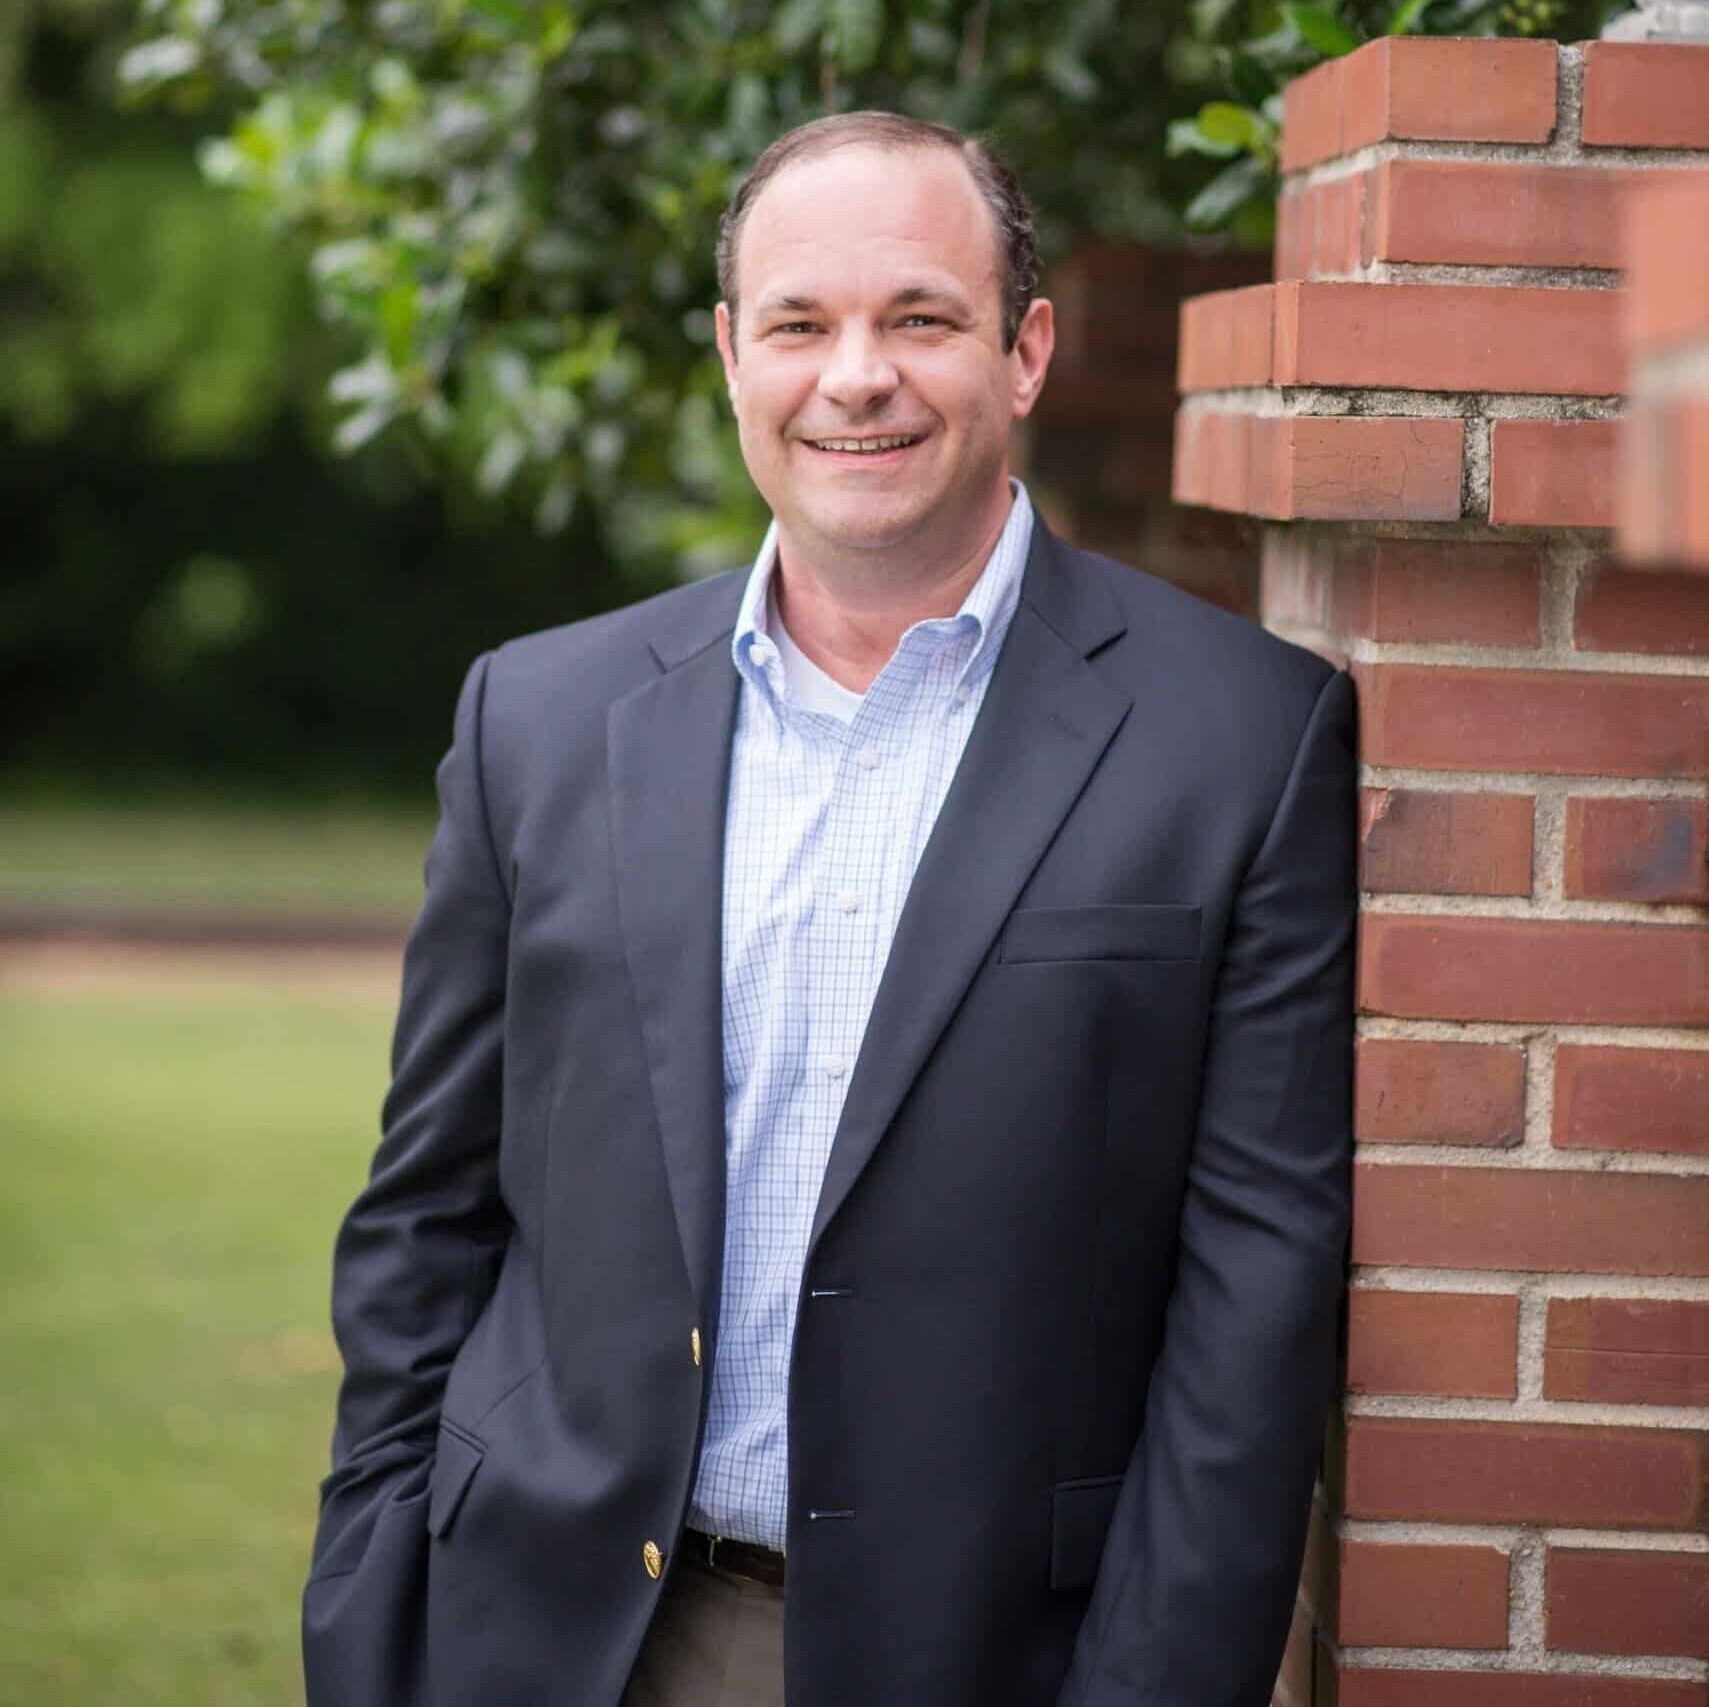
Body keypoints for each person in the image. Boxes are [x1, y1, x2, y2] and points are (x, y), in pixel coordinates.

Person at [302, 111, 1357, 1707]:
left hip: (990, 1657)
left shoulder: (1243, 739)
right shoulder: (538, 718)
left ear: (1024, 352)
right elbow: (424, 1220)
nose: (853, 375)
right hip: (547, 1634)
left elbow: (1251, 1310)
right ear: (733, 357)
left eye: (919, 318)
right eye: (799, 323)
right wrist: (371, 1598)